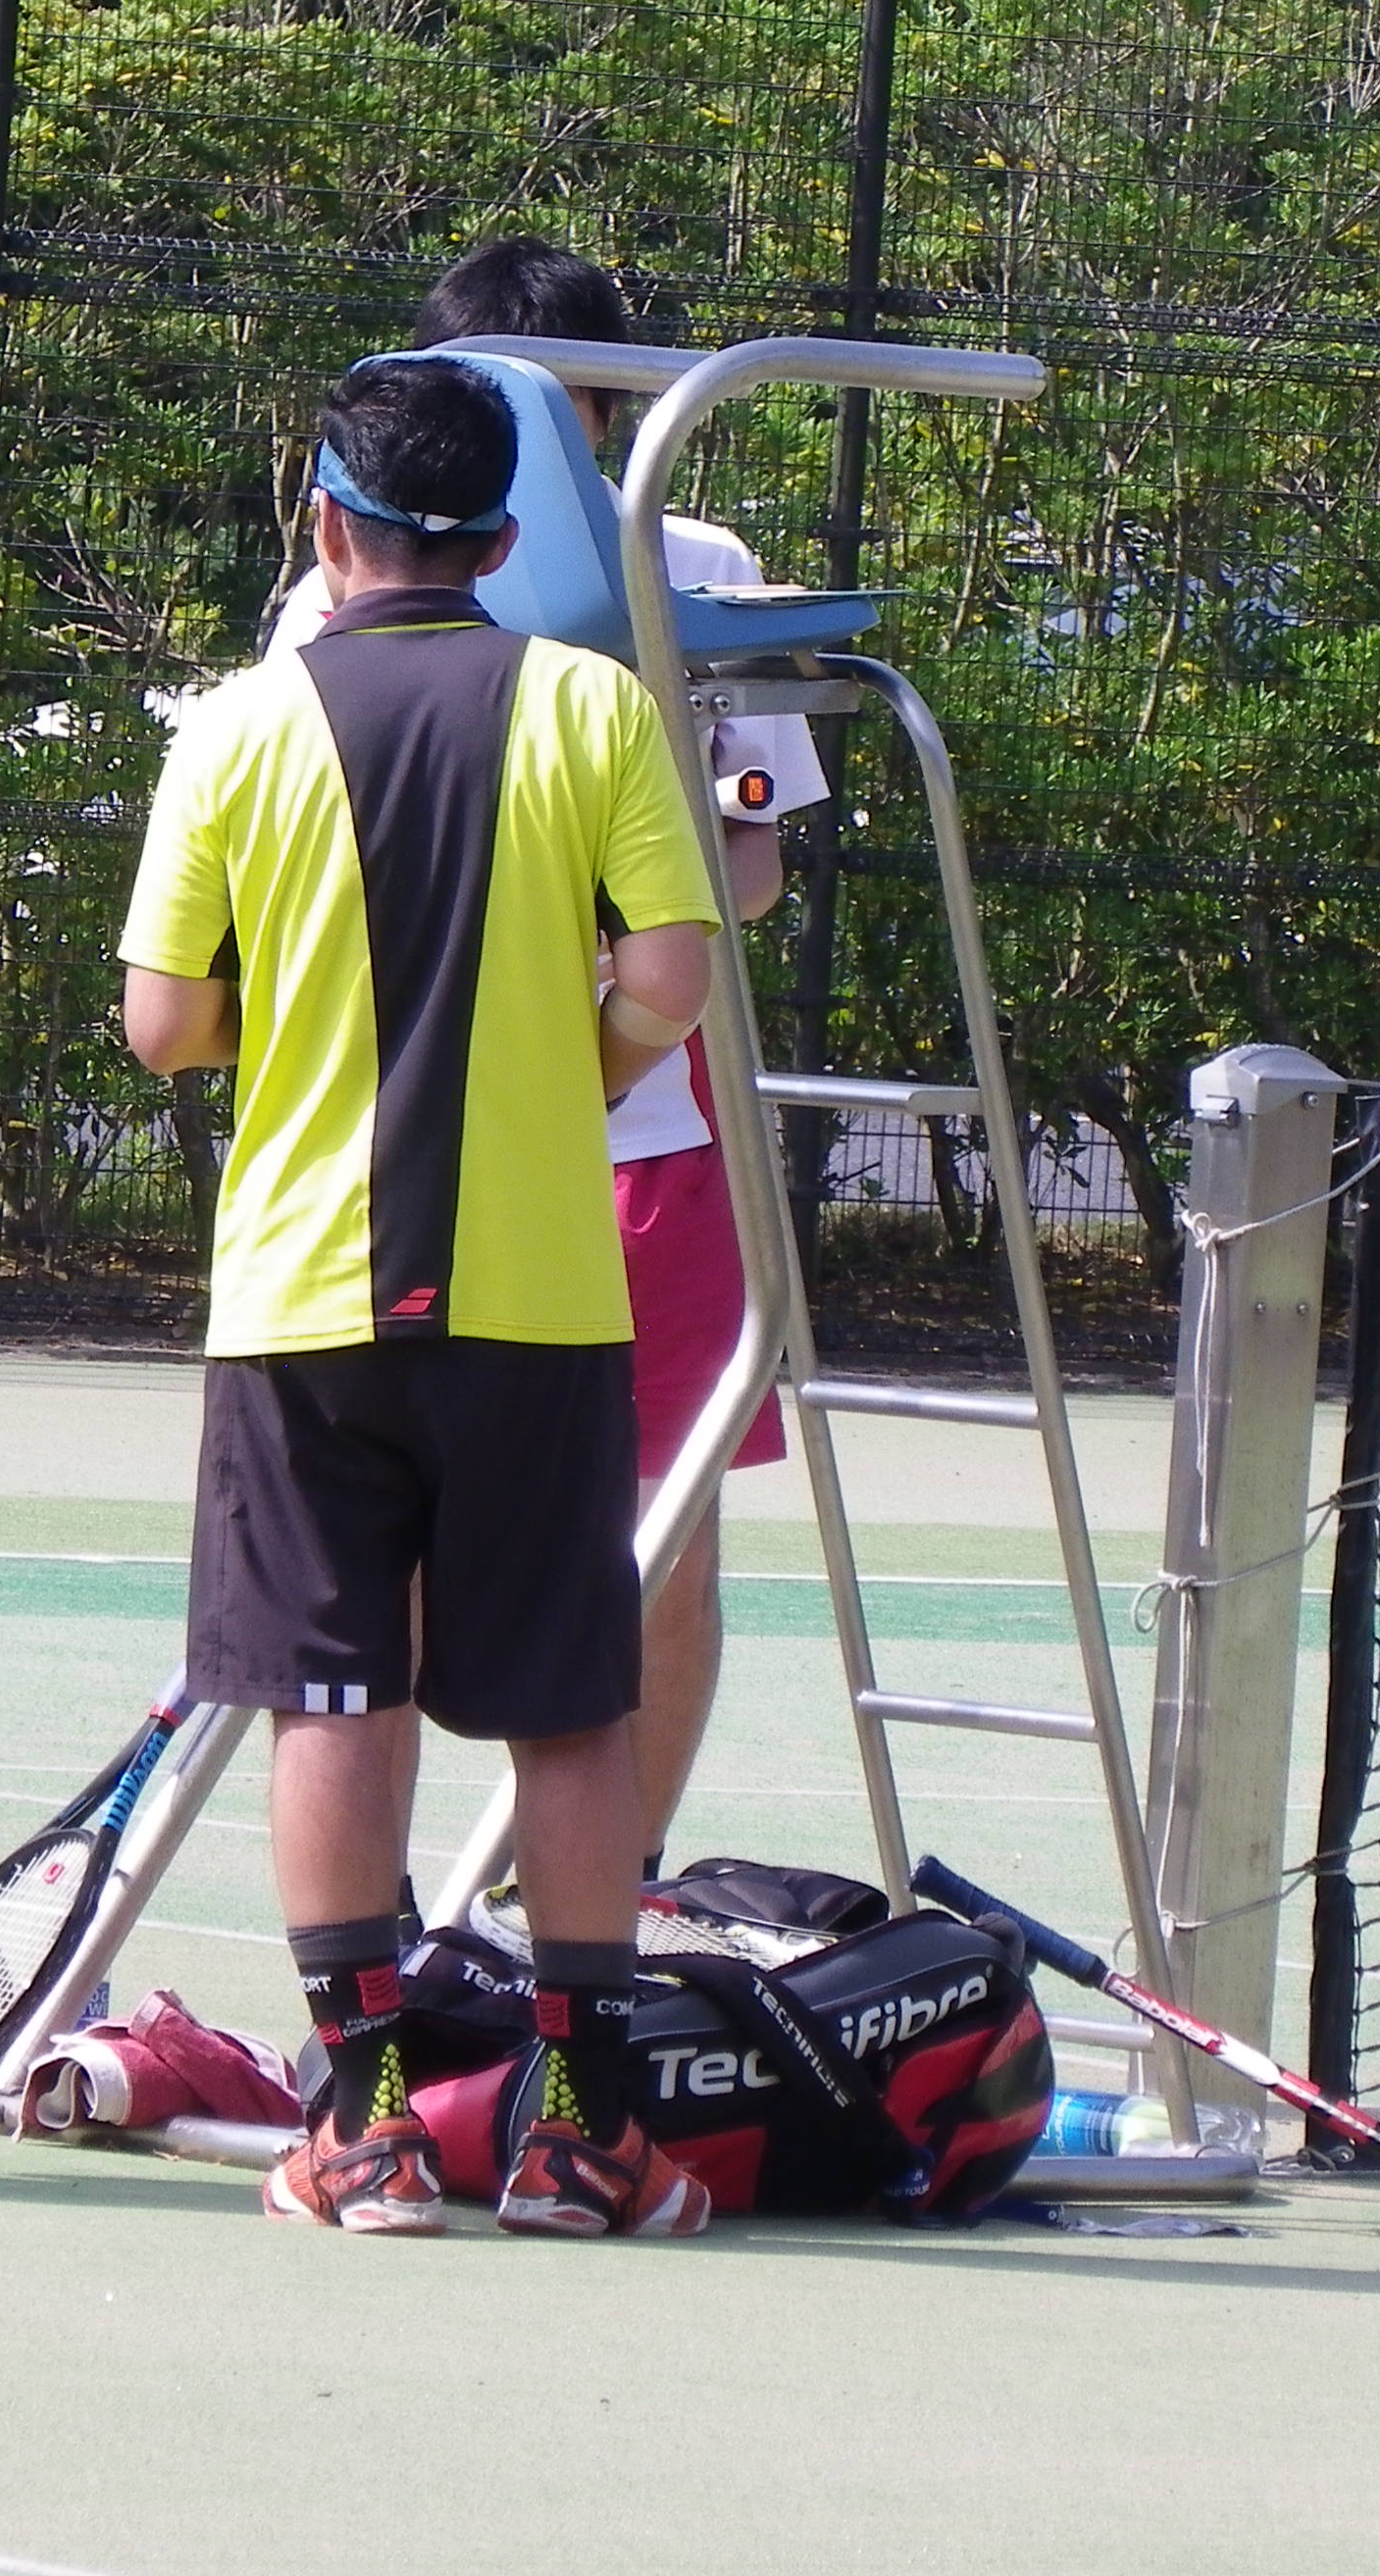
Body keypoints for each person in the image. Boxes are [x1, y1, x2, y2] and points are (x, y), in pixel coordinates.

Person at [121, 354, 723, 2239]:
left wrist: (278, 1029)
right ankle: (584, 2133)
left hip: (303, 1295)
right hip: (541, 1294)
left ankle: (363, 2126)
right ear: (507, 534)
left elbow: (162, 1027)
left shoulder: (238, 721)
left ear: (325, 524)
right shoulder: (592, 707)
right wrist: (583, 1055)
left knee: (330, 1692)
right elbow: (679, 976)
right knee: (567, 1712)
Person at [268, 236, 819, 1867]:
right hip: (419, 1143)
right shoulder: (344, 580)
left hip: (645, 1140)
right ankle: (380, 1956)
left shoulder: (696, 554)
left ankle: (595, 1906)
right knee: (409, 1557)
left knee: (661, 1542)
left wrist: (624, 889)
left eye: (575, 406)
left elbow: (750, 865)